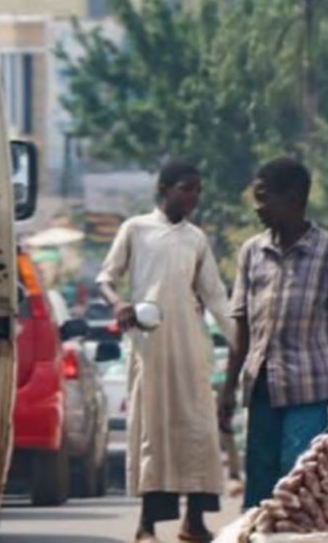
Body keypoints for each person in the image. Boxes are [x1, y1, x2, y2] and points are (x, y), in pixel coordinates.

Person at [221, 157, 328, 508]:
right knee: (260, 475)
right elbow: (241, 324)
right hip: (262, 384)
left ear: (293, 198)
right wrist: (228, 388)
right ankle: (257, 531)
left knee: (299, 475)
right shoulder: (252, 251)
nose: (257, 208)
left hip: (309, 385)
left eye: (264, 198)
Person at [97, 161, 231, 543]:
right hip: (149, 346)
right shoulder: (136, 229)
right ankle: (147, 526)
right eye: (187, 188)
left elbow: (215, 295)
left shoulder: (196, 239)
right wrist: (118, 304)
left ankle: (195, 522)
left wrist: (244, 342)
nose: (193, 197)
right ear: (165, 188)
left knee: (198, 430)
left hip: (190, 346)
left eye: (198, 191)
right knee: (153, 433)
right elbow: (106, 278)